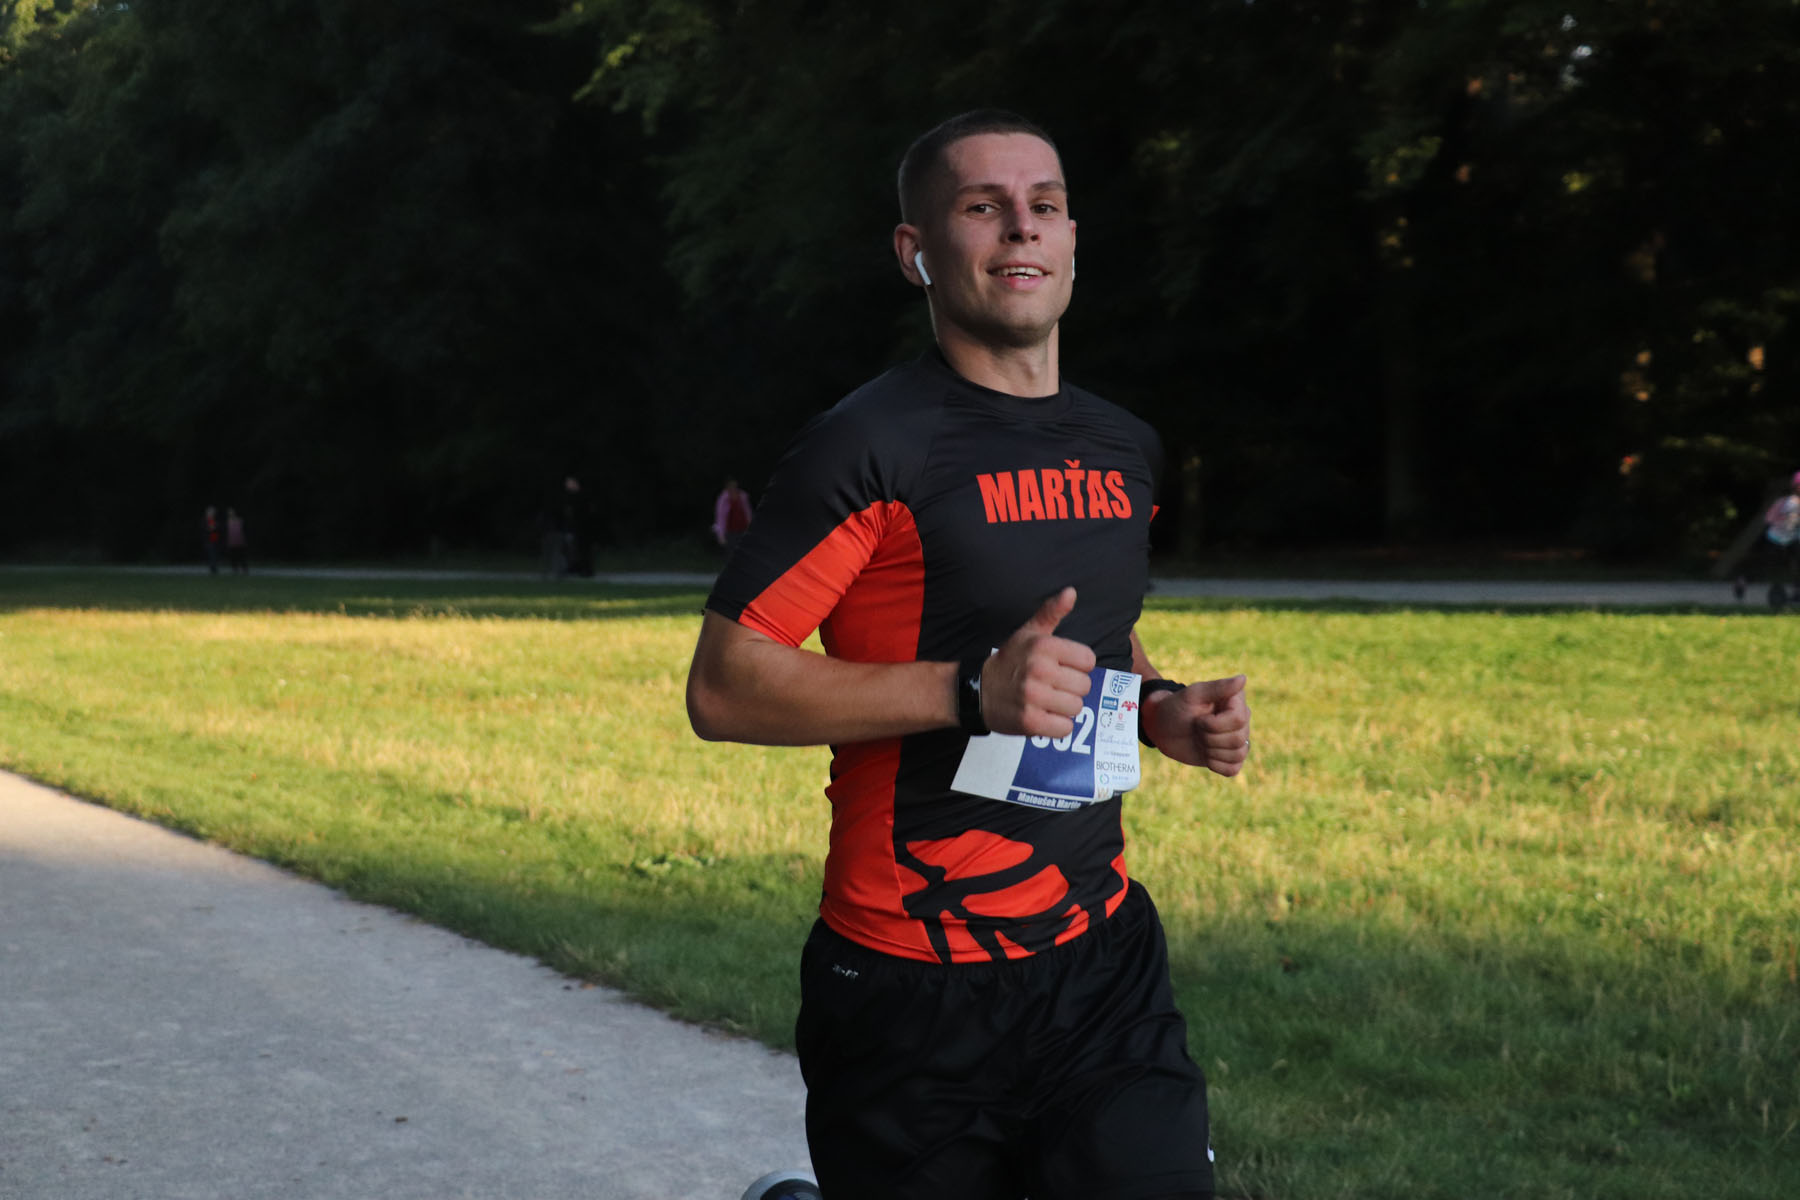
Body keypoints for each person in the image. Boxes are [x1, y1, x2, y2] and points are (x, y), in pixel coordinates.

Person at [687, 110, 1251, 1200]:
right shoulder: (870, 445)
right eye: (982, 207)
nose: (1020, 228)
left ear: (1073, 239)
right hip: (910, 979)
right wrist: (966, 692)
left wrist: (1160, 709)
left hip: (1100, 958)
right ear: (918, 252)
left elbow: (1091, 634)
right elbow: (725, 684)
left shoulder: (1123, 447)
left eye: (1044, 205)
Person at [713, 477, 755, 552]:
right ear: (727, 487)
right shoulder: (723, 499)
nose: (733, 488)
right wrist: (720, 536)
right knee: (732, 552)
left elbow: (748, 513)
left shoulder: (743, 496)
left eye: (735, 486)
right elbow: (720, 518)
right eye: (731, 486)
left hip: (743, 530)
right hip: (730, 532)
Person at [225, 507, 249, 574]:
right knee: (233, 558)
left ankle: (245, 569)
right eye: (229, 513)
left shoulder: (240, 520)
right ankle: (235, 570)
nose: (231, 514)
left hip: (240, 542)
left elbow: (245, 530)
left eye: (232, 512)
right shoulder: (227, 522)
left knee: (242, 557)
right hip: (231, 543)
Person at [201, 505, 222, 574]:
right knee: (211, 554)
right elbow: (204, 528)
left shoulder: (215, 520)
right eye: (211, 512)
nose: (212, 513)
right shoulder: (205, 520)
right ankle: (213, 568)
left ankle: (214, 567)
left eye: (213, 512)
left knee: (215, 554)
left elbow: (218, 527)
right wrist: (210, 528)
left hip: (215, 540)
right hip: (209, 540)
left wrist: (215, 527)